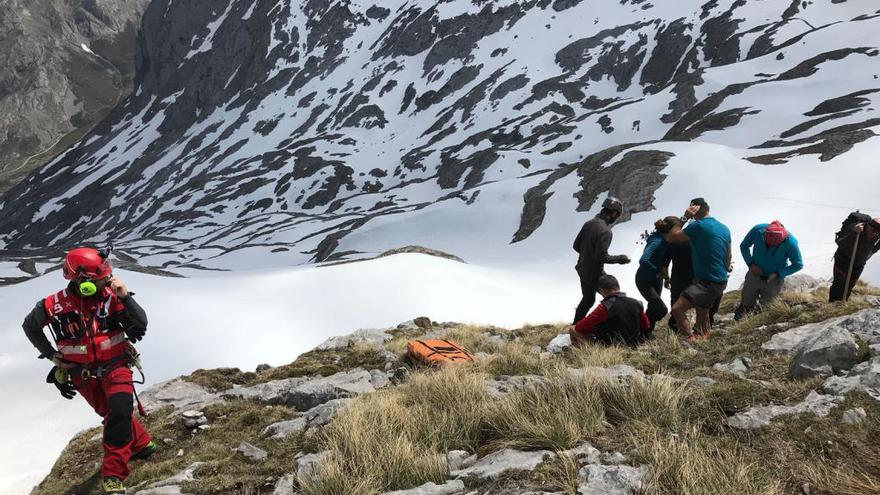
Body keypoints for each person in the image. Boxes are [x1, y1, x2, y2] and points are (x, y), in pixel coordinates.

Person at [22, 247, 154, 494]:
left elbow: (141, 322)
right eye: (101, 277)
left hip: (117, 365)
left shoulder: (112, 296)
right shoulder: (52, 305)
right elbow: (30, 327)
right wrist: (53, 357)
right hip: (81, 374)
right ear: (82, 280)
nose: (107, 280)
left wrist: (125, 297)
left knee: (119, 411)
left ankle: (113, 475)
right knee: (109, 413)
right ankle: (143, 445)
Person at [665, 198, 732, 341]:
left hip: (707, 281)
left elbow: (672, 237)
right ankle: (703, 337)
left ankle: (691, 339)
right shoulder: (724, 228)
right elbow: (728, 255)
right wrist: (726, 267)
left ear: (694, 210)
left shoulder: (698, 226)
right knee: (702, 309)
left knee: (677, 309)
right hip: (720, 280)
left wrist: (685, 217)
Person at [572, 197, 631, 324]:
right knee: (615, 299)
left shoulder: (589, 223)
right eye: (618, 215)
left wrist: (587, 254)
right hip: (595, 273)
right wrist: (621, 259)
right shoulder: (605, 231)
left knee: (588, 299)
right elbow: (601, 257)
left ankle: (576, 327)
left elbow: (576, 246)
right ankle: (618, 327)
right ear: (614, 213)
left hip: (582, 269)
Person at [735, 220, 804, 320]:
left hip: (774, 280)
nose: (771, 246)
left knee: (766, 309)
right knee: (746, 303)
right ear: (764, 235)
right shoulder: (758, 230)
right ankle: (740, 323)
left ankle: (756, 327)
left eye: (774, 245)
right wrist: (751, 264)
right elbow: (744, 246)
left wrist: (778, 274)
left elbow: (798, 264)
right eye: (768, 243)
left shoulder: (790, 242)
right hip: (754, 274)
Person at [569, 274, 650, 347]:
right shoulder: (637, 303)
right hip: (634, 344)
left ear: (601, 290)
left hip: (612, 347)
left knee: (573, 329)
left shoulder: (605, 306)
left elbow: (580, 327)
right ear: (618, 287)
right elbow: (646, 326)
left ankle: (584, 353)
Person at [636, 216, 680, 333]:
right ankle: (636, 327)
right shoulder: (656, 240)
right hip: (644, 279)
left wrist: (666, 278)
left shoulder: (667, 240)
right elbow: (643, 260)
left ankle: (644, 335)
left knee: (654, 308)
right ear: (670, 229)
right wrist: (656, 271)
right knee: (660, 309)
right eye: (677, 229)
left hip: (657, 279)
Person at [830, 214, 880, 302]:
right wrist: (854, 232)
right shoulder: (855, 228)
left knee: (850, 285)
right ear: (868, 226)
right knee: (839, 285)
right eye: (872, 230)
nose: (874, 234)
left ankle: (843, 304)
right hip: (843, 259)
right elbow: (841, 243)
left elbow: (874, 249)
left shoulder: (877, 236)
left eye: (877, 233)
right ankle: (832, 305)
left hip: (859, 263)